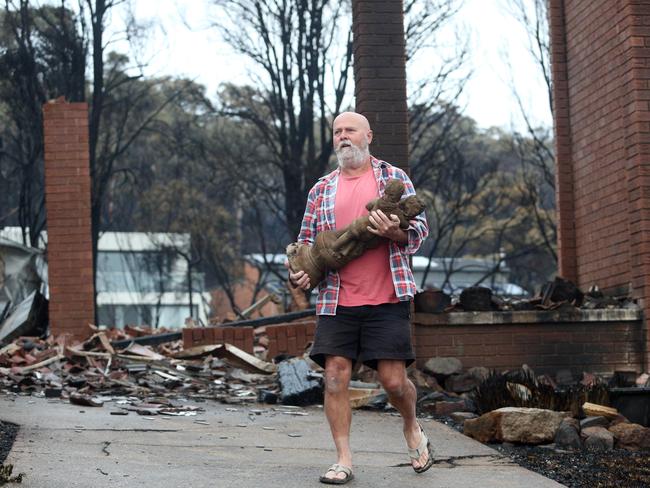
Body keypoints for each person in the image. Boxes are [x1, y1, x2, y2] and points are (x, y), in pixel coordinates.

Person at [287, 112, 430, 484]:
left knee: (394, 382)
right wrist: (301, 269)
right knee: (335, 377)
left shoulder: (393, 178)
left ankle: (412, 426)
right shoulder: (321, 189)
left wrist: (397, 232)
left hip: (388, 296)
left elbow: (419, 231)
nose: (343, 137)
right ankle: (343, 459)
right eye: (337, 132)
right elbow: (305, 243)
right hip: (337, 299)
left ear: (369, 135)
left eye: (350, 130)